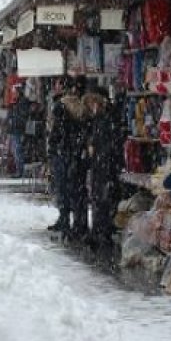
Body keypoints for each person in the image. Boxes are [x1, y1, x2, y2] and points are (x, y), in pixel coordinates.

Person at [47, 76, 92, 239]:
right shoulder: (81, 107)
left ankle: (66, 220)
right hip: (76, 154)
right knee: (77, 190)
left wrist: (53, 148)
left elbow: (57, 131)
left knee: (63, 189)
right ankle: (79, 223)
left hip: (63, 153)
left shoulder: (60, 106)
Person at [85, 86, 123, 250]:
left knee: (103, 200)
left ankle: (102, 233)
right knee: (98, 199)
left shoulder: (107, 119)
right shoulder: (99, 119)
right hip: (100, 165)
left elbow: (110, 145)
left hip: (105, 166)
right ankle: (98, 232)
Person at [6, 82, 31, 177]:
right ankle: (19, 170)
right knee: (16, 150)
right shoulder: (17, 102)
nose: (13, 93)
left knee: (18, 151)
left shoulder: (22, 103)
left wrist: (13, 119)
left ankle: (20, 171)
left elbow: (22, 117)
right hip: (16, 130)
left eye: (14, 91)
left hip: (19, 130)